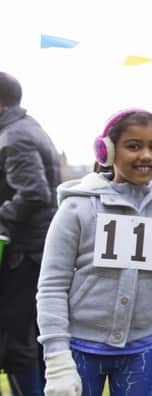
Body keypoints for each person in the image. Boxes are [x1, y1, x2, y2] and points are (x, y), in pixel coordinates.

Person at [36, 109, 152, 395]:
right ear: (108, 151)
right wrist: (56, 357)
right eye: (133, 146)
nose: (146, 156)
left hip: (142, 351)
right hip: (78, 348)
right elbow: (52, 286)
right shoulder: (76, 210)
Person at [0, 71, 61, 396]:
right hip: (36, 250)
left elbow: (34, 192)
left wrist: (1, 215)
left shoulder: (15, 136)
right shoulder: (25, 127)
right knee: (33, 341)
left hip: (25, 254)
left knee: (17, 343)